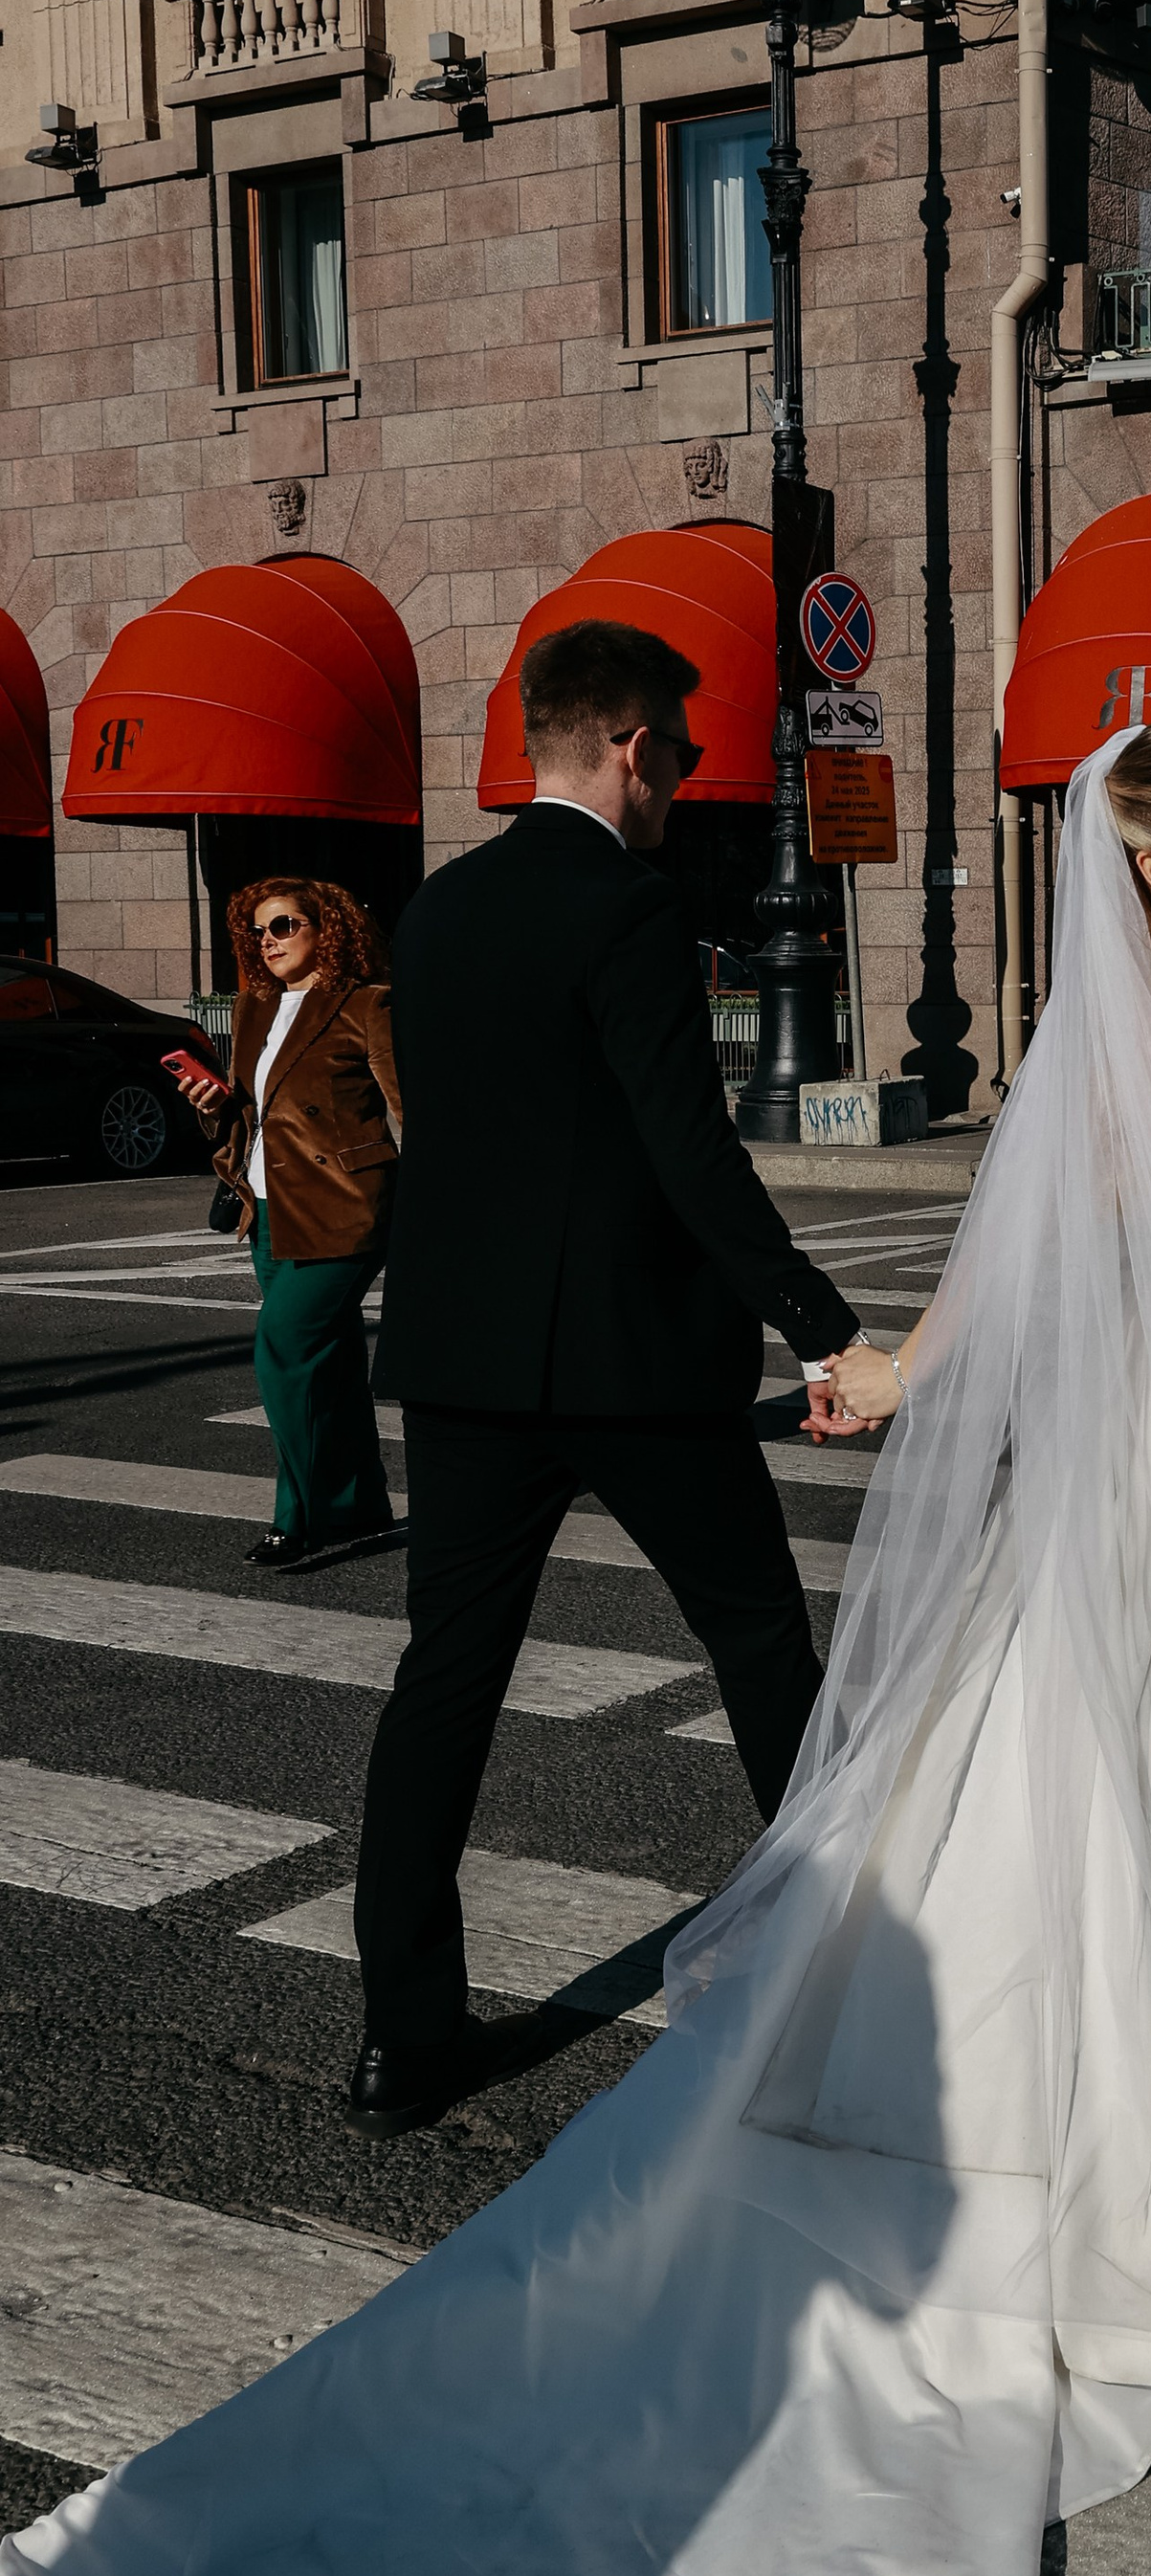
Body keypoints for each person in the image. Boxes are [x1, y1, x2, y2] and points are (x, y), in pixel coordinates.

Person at [0, 715, 1151, 2576]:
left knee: (1093, 1836)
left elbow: (1019, 1265)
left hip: (1115, 1509)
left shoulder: (1089, 1058)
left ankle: (1105, 2210)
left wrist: (894, 1372)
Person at [341, 618, 874, 2143]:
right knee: (763, 1644)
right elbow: (685, 1147)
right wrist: (817, 1322)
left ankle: (401, 2042)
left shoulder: (435, 910)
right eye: (686, 755)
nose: (686, 783)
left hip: (461, 1363)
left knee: (444, 1684)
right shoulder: (627, 906)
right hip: (633, 1366)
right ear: (631, 743)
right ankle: (853, 1966)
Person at [160, 879, 402, 1572]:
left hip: (346, 1208)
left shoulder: (366, 1003)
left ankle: (299, 1517)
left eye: (283, 925)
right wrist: (209, 1102)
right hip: (266, 1210)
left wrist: (437, 1210)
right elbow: (246, 1114)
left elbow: (408, 1107)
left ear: (326, 930)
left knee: (284, 1350)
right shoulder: (254, 1007)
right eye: (259, 930)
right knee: (331, 1362)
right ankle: (360, 1501)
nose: (267, 940)